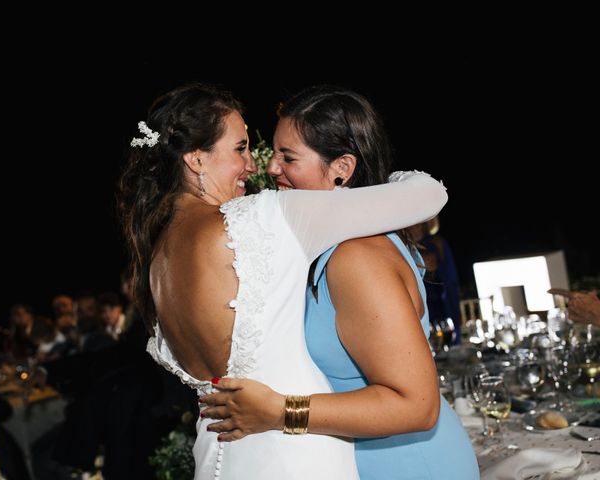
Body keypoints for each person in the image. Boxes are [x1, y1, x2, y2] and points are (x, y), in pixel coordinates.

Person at [117, 82, 447, 479]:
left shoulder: (156, 259)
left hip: (219, 458)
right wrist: (363, 180)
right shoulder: (266, 218)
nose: (255, 166)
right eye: (240, 149)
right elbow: (429, 195)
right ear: (196, 159)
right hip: (295, 452)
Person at [198, 86, 478, 479]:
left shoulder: (356, 257)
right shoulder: (330, 247)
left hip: (407, 465)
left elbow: (417, 405)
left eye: (288, 157)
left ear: (342, 169)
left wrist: (280, 411)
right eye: (275, 153)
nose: (272, 168)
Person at [408, 215, 462, 343]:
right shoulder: (403, 247)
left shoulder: (436, 243)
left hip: (440, 303)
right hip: (418, 303)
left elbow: (450, 280)